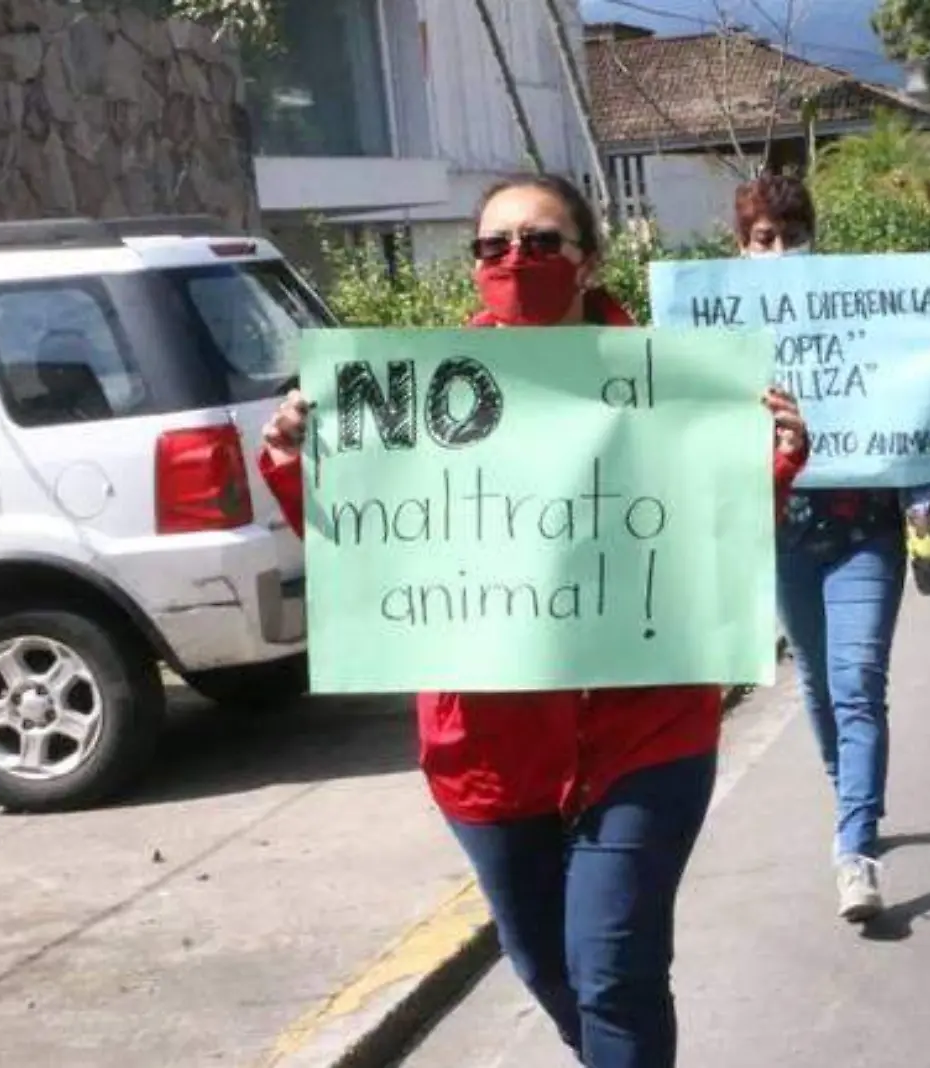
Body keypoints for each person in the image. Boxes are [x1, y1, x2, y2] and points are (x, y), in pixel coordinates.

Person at [257, 175, 810, 1068]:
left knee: (617, 972)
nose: (516, 258)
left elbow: (716, 528)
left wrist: (772, 458)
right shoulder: (412, 400)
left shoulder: (674, 385)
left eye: (541, 241)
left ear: (588, 259)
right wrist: (298, 459)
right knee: (547, 968)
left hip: (646, 732)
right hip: (489, 751)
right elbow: (373, 546)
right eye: (494, 245)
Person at [731, 173, 930, 922]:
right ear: (741, 248)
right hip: (783, 534)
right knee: (819, 687)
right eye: (765, 239)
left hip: (866, 530)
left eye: (793, 235)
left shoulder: (863, 307)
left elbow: (907, 394)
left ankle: (854, 848)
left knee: (858, 679)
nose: (781, 250)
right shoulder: (718, 331)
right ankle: (850, 797)